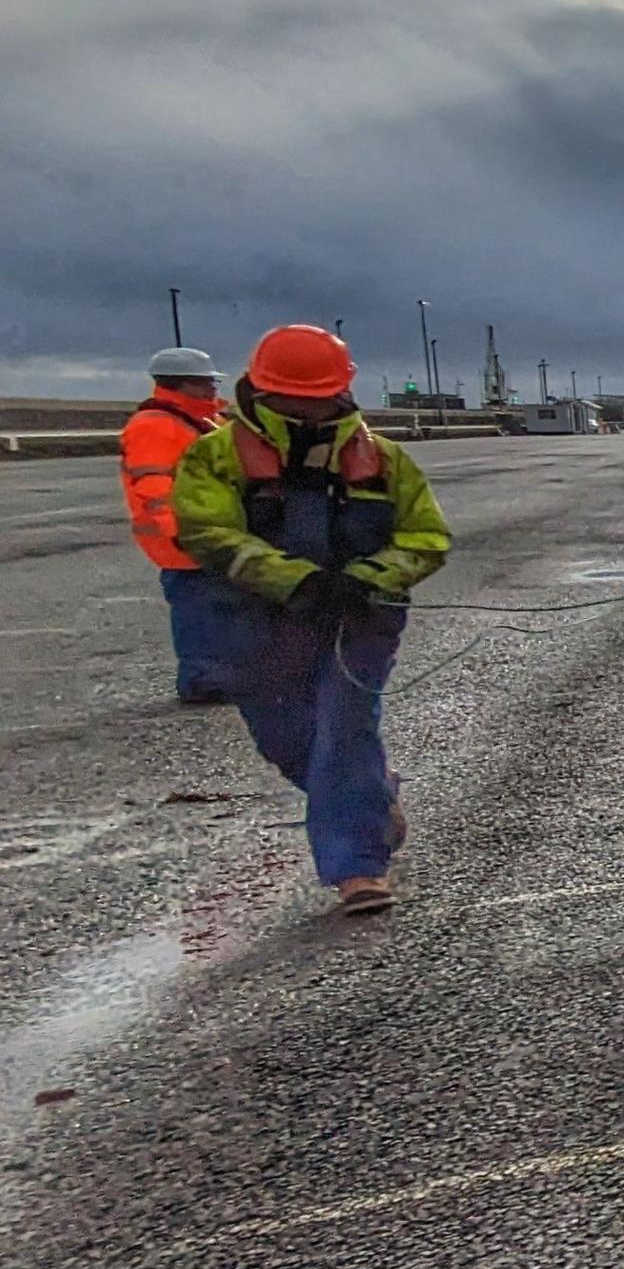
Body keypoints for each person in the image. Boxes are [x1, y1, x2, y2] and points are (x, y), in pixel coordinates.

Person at [172, 325, 452, 915]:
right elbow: (206, 531)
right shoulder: (214, 457)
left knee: (345, 728)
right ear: (261, 392)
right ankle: (374, 800)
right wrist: (294, 580)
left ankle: (359, 871)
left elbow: (427, 537)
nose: (307, 410)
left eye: (319, 399)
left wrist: (368, 578)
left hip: (359, 621)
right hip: (255, 623)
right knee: (289, 741)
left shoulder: (383, 460)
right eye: (294, 400)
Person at [120, 347, 231, 702]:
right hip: (183, 540)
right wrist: (178, 531)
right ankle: (201, 681)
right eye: (205, 382)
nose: (213, 388)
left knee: (217, 609)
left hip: (206, 533)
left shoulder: (203, 421)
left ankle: (217, 675)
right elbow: (155, 486)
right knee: (198, 610)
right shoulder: (155, 426)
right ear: (180, 384)